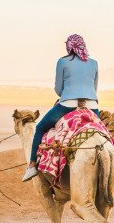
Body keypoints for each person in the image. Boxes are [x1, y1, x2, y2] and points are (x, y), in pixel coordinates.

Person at [22, 34, 100, 182]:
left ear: (68, 46)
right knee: (105, 134)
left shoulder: (62, 61)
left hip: (68, 104)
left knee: (40, 128)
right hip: (92, 105)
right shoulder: (94, 63)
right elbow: (94, 88)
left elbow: (59, 89)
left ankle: (32, 165)